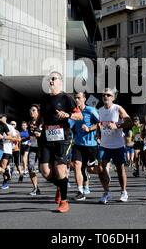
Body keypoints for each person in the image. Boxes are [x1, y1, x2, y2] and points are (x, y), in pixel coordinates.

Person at [38, 72, 82, 213]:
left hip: (63, 138)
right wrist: (37, 125)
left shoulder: (67, 98)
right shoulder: (44, 99)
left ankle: (64, 201)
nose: (50, 81)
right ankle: (61, 184)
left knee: (60, 170)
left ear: (60, 82)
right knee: (45, 172)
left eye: (53, 78)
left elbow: (79, 115)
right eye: (49, 79)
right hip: (47, 137)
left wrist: (68, 115)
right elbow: (41, 116)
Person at [97, 88, 132, 204]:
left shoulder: (117, 108)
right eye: (103, 95)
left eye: (108, 95)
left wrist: (117, 125)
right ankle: (107, 192)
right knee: (101, 168)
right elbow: (100, 125)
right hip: (104, 144)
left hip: (117, 145)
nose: (105, 97)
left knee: (119, 169)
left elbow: (129, 121)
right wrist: (97, 135)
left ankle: (123, 191)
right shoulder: (100, 110)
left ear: (113, 97)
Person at [71, 92, 100, 200]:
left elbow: (100, 123)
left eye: (79, 98)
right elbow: (70, 124)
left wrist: (89, 128)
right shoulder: (74, 112)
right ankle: (80, 191)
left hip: (91, 145)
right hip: (78, 144)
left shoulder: (91, 110)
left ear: (84, 99)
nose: (77, 100)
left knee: (90, 168)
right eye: (75, 98)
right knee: (77, 165)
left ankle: (103, 171)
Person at [27, 104, 43, 195]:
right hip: (33, 147)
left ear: (38, 112)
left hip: (42, 147)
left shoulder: (43, 122)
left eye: (33, 110)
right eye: (30, 110)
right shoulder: (29, 123)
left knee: (45, 169)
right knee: (30, 167)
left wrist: (40, 135)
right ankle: (35, 188)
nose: (31, 112)